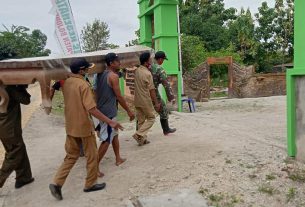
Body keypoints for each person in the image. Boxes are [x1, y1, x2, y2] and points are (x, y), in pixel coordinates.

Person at [49, 57, 123, 200]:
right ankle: (90, 184)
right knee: (92, 155)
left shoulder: (66, 82)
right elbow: (91, 109)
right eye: (87, 69)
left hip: (70, 126)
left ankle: (57, 183)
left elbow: (54, 87)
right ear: (81, 70)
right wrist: (110, 122)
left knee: (71, 156)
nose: (89, 70)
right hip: (83, 126)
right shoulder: (83, 85)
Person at [93, 53, 135, 177]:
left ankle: (118, 158)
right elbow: (119, 97)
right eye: (117, 61)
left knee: (114, 134)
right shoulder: (113, 76)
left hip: (102, 109)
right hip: (109, 112)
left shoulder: (100, 74)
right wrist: (129, 111)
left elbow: (96, 91)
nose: (120, 63)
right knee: (106, 139)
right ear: (111, 63)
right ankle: (93, 168)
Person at [0, 85, 34, 189]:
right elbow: (25, 100)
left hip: (4, 126)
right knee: (14, 152)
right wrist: (20, 87)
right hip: (9, 127)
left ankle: (24, 177)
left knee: (19, 148)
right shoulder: (8, 87)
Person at [133, 52, 161, 146]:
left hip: (137, 100)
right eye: (150, 59)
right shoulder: (147, 73)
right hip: (145, 100)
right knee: (151, 118)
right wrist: (156, 103)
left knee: (141, 120)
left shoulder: (136, 71)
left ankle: (142, 140)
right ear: (146, 62)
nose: (151, 61)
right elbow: (152, 90)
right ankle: (139, 134)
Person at [151, 51, 176, 135]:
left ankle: (139, 131)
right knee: (163, 109)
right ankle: (166, 129)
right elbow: (166, 84)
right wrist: (171, 97)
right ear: (160, 59)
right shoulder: (158, 68)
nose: (163, 62)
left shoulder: (146, 66)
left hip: (142, 92)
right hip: (153, 92)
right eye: (163, 60)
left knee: (142, 114)